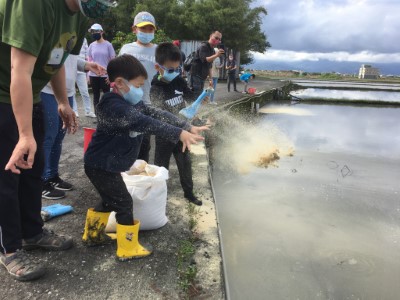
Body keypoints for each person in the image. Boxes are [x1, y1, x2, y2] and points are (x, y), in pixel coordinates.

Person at [0, 0, 116, 282]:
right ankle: (10, 249)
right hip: (5, 92)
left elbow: (57, 60)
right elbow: (20, 70)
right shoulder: (33, 4)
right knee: (8, 176)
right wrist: (24, 133)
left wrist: (64, 102)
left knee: (33, 169)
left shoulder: (78, 13)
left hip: (32, 93)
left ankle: (32, 233)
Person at [82, 54, 209, 260]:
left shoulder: (132, 102)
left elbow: (156, 113)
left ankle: (92, 235)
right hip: (100, 165)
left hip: (108, 165)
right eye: (139, 85)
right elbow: (145, 122)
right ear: (121, 83)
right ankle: (127, 248)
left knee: (109, 201)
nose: (141, 90)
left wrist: (187, 126)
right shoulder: (112, 106)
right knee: (123, 203)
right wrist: (179, 134)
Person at [150, 42, 205, 206]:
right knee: (161, 168)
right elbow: (161, 114)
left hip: (183, 134)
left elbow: (188, 97)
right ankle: (159, 197)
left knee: (185, 164)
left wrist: (200, 98)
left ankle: (189, 194)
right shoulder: (156, 88)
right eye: (170, 70)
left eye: (177, 69)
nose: (174, 73)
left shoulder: (179, 80)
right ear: (158, 67)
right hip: (165, 135)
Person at [119, 11, 158, 163]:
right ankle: (124, 176)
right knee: (125, 142)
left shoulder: (158, 51)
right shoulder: (126, 49)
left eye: (150, 29)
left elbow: (166, 75)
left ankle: (142, 177)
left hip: (145, 103)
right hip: (126, 103)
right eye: (143, 29)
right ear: (134, 29)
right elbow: (118, 75)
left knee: (144, 144)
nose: (147, 32)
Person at [88, 23, 116, 111]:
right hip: (93, 75)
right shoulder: (91, 45)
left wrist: (111, 75)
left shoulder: (108, 45)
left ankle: (108, 114)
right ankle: (98, 115)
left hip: (105, 76)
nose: (94, 33)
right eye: (92, 31)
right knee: (95, 96)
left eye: (96, 31)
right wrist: (88, 76)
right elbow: (89, 61)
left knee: (107, 96)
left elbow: (113, 61)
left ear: (102, 32)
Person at [190, 31, 225, 97]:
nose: (218, 40)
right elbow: (206, 59)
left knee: (199, 94)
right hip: (196, 74)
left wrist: (211, 79)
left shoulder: (212, 49)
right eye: (216, 38)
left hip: (202, 76)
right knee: (196, 94)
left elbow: (209, 65)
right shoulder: (204, 46)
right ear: (210, 36)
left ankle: (197, 106)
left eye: (219, 39)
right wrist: (216, 55)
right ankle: (193, 106)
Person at [73, 38, 97, 118]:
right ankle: (74, 111)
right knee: (72, 92)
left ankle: (88, 111)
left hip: (82, 69)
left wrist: (88, 74)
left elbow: (87, 56)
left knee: (85, 92)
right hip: (71, 68)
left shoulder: (84, 39)